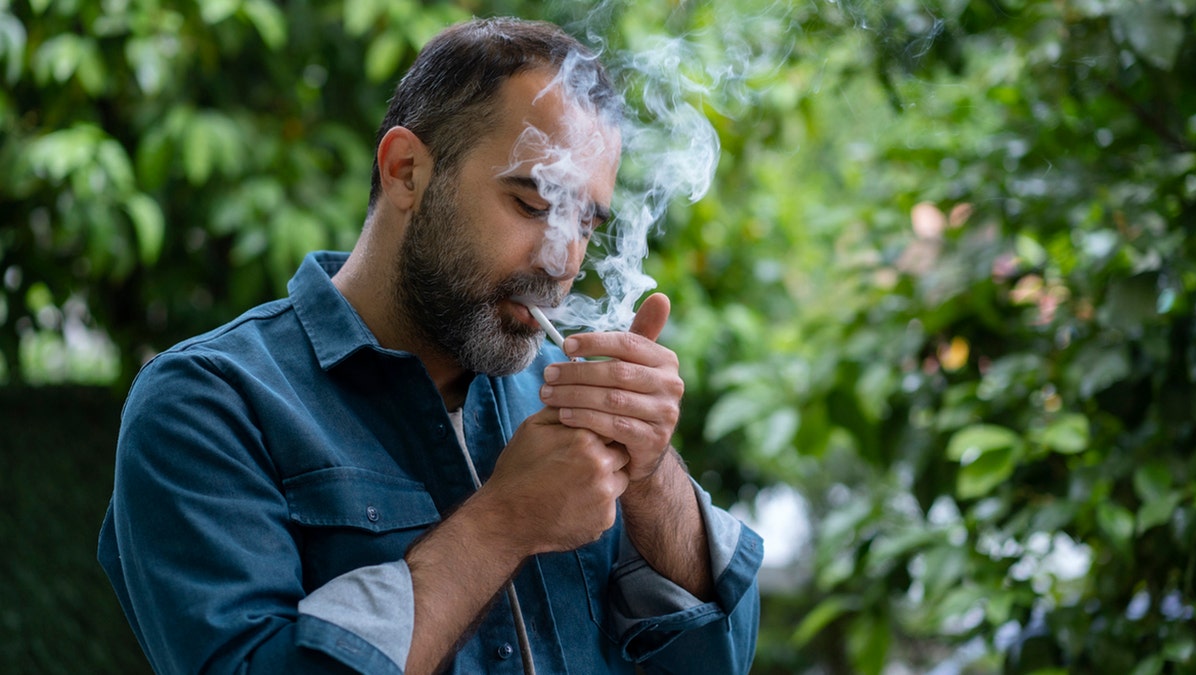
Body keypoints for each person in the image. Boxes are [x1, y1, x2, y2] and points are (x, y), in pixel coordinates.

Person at [99, 16, 762, 675]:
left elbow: (718, 659)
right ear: (406, 171)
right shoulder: (209, 402)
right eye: (533, 205)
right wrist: (504, 521)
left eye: (585, 223)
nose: (562, 261)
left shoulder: (570, 391)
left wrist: (651, 475)